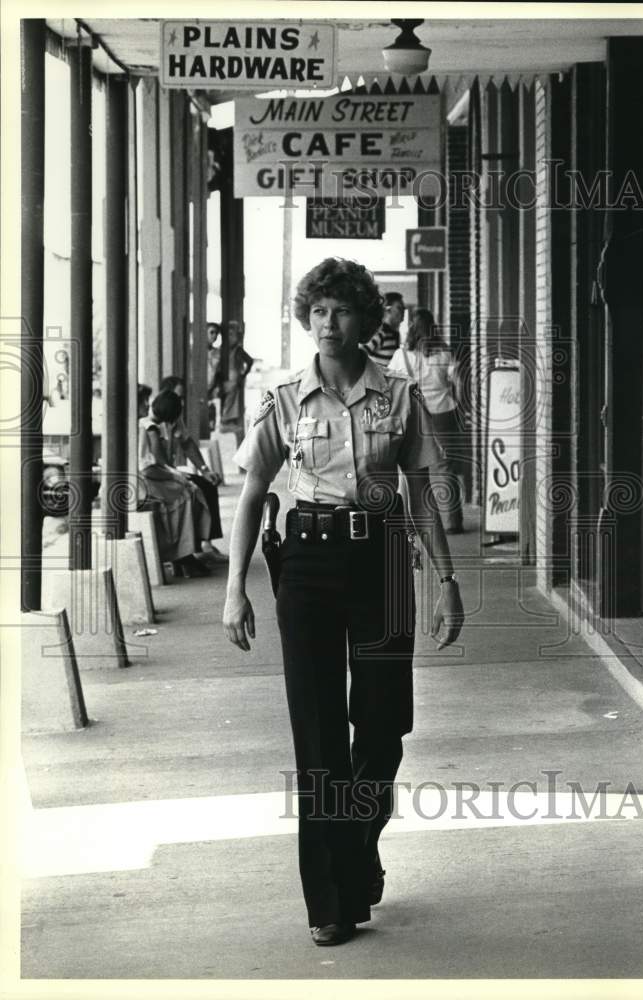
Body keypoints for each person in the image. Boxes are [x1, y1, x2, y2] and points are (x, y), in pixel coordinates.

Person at [223, 258, 464, 947]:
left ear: (367, 320)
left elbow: (420, 493)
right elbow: (251, 493)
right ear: (308, 319)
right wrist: (236, 587)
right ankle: (332, 900)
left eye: (343, 312)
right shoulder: (283, 399)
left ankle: (357, 844)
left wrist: (446, 582)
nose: (329, 325)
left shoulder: (399, 395)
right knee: (320, 736)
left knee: (384, 725)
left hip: (385, 561)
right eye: (318, 312)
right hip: (306, 563)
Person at [388, 308, 464, 533]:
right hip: (443, 413)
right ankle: (452, 522)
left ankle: (410, 521)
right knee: (445, 468)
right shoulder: (443, 353)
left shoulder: (401, 356)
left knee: (411, 467)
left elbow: (391, 385)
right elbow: (458, 382)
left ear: (411, 328)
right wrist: (459, 405)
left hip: (412, 414)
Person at [138, 389, 212, 578]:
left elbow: (178, 449)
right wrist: (176, 476)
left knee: (193, 489)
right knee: (186, 493)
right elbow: (150, 467)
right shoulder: (149, 428)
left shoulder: (154, 426)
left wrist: (179, 474)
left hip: (152, 478)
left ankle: (188, 550)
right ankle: (181, 554)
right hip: (145, 483)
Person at [158, 375, 226, 562]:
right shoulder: (153, 421)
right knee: (194, 491)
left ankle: (206, 544)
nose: (180, 402)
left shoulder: (175, 417)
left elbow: (187, 443)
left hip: (171, 473)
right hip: (163, 477)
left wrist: (205, 469)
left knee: (208, 484)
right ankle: (187, 551)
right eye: (178, 396)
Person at [219, 319, 254, 448]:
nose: (230, 338)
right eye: (228, 335)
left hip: (234, 376)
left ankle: (226, 420)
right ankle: (224, 420)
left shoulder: (238, 350)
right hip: (224, 378)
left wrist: (243, 374)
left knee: (231, 397)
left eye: (232, 335)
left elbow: (249, 361)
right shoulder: (223, 350)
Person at [360, 290, 404, 368]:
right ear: (388, 309)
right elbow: (358, 355)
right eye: (399, 308)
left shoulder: (394, 333)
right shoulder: (380, 332)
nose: (402, 312)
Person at [206, 323, 223, 432]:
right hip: (199, 389)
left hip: (211, 389)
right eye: (211, 332)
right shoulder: (195, 351)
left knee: (211, 418)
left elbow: (219, 373)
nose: (214, 336)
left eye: (216, 333)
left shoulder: (217, 353)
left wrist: (217, 387)